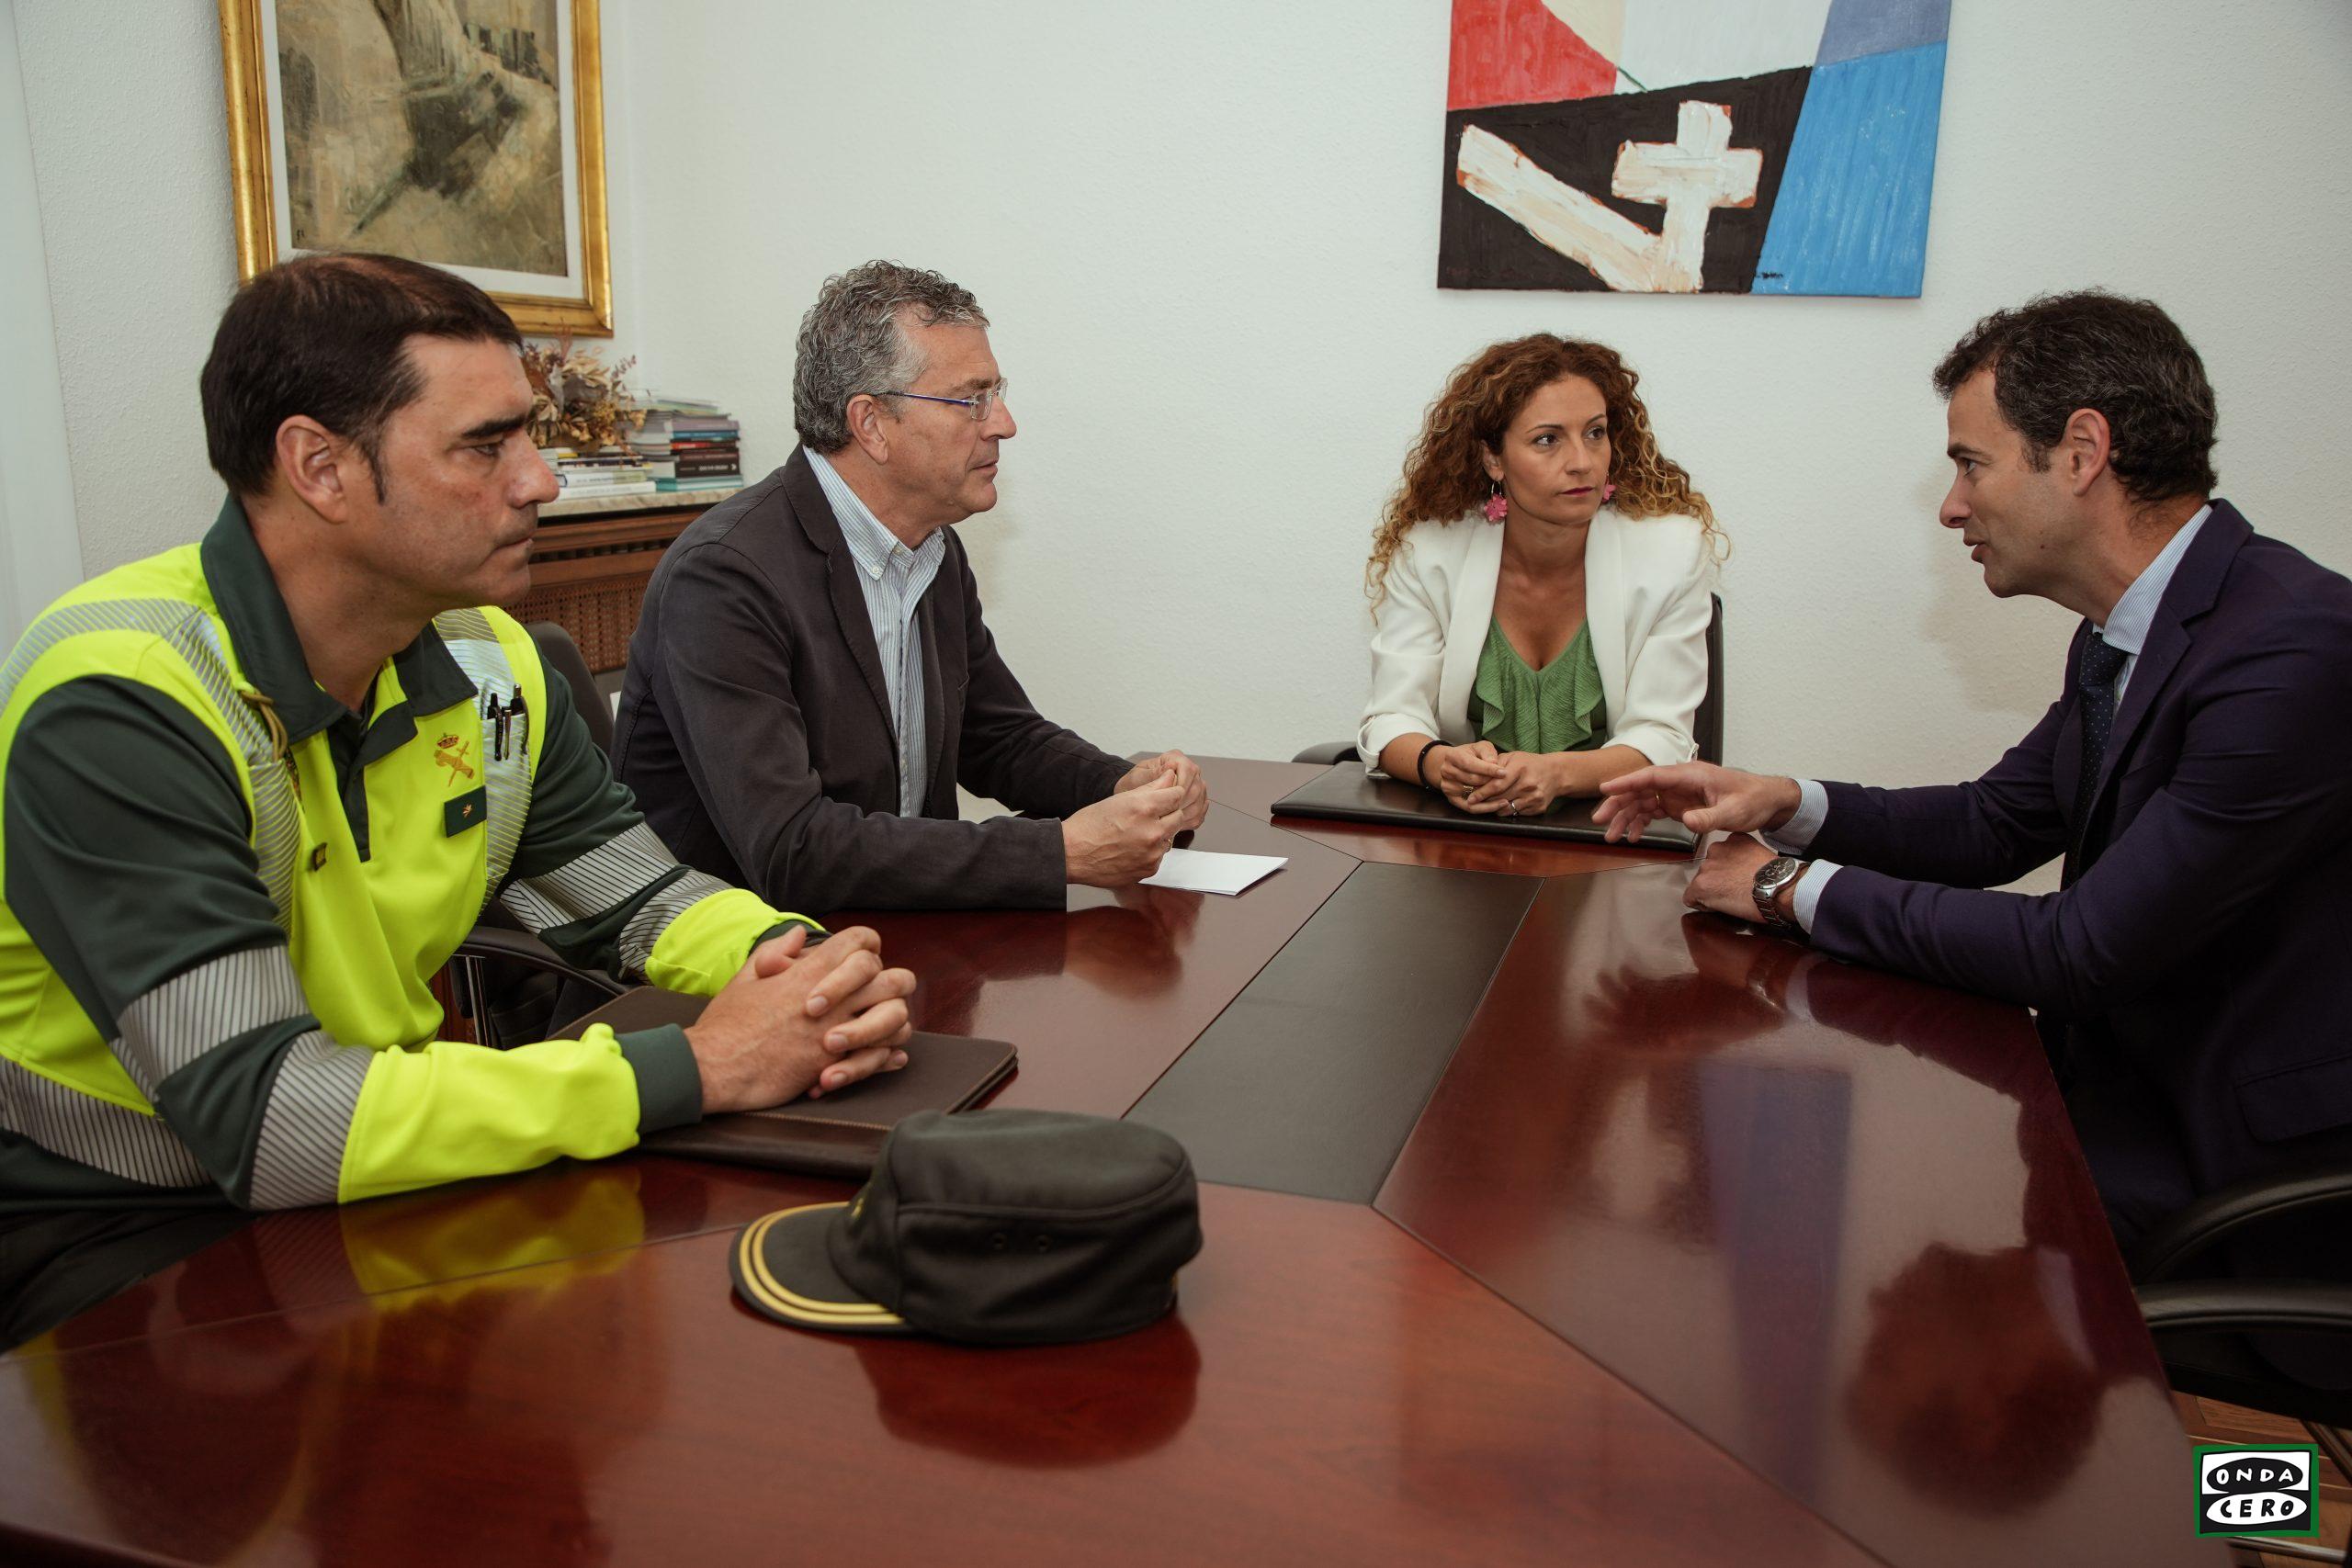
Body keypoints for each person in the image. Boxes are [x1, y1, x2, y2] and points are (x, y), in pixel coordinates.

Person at [0, 253, 917, 1228]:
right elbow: (266, 1121)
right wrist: (695, 1065)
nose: (540, 480)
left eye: (529, 435)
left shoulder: (490, 659)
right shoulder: (123, 700)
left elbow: (640, 898)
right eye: (485, 446)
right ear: (319, 467)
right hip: (124, 1221)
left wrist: (797, 964)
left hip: (385, 1152)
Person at [1596, 289, 2352, 1241]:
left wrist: (1786, 887)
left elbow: (2080, 951)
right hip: (2115, 1094)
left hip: (2231, 1166)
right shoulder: (2127, 629)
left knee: (1832, 1221)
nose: (1953, 505)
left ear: (2081, 452)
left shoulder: (2292, 650)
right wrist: (1784, 801)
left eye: (1970, 464)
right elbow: (1995, 822)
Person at [614, 261, 1206, 911]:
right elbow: (792, 849)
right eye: (971, 399)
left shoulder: (931, 546)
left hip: (901, 925)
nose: (1004, 423)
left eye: (996, 393)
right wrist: (1059, 853)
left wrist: (1121, 786)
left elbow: (996, 736)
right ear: (871, 424)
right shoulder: (724, 577)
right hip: (746, 952)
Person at [1357, 335, 1721, 818]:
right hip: (1466, 827)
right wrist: (1441, 764)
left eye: (1595, 433)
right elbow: (1392, 718)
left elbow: (1664, 737)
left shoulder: (1670, 553)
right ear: (1494, 459)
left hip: (1613, 827)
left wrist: (1555, 774)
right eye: (1547, 439)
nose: (1582, 462)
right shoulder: (1430, 552)